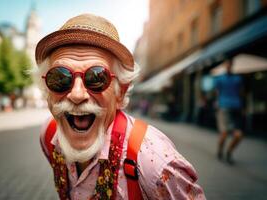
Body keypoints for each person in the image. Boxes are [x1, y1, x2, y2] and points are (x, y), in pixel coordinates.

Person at [34, 13, 206, 199]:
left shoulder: (156, 165)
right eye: (60, 78)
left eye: (97, 78)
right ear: (46, 89)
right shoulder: (49, 134)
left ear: (120, 92)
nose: (76, 95)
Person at [214, 59, 244, 164]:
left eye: (229, 64)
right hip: (224, 108)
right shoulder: (220, 79)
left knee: (238, 135)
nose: (228, 66)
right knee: (224, 133)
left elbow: (240, 92)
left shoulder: (238, 79)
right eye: (227, 64)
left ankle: (228, 152)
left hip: (235, 108)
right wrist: (218, 102)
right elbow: (217, 92)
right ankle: (220, 151)